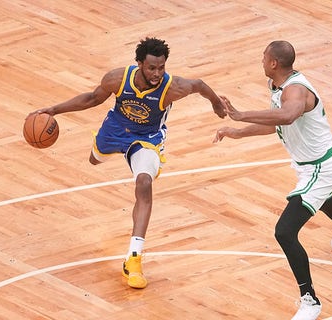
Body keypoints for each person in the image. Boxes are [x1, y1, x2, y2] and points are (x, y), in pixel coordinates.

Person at [31, 37, 226, 289]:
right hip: (114, 129)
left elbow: (199, 85)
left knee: (144, 183)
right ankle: (101, 147)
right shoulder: (117, 79)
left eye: (161, 67)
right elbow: (92, 98)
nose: (157, 73)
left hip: (147, 138)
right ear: (139, 64)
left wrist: (216, 104)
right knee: (94, 159)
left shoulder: (172, 87)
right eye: (151, 68)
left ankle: (134, 258)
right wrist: (54, 110)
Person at [213, 40, 332, 320]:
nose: (261, 61)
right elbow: (276, 122)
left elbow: (287, 116)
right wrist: (238, 132)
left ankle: (310, 301)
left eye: (264, 58)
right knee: (322, 199)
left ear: (274, 63)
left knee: (284, 231)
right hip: (308, 166)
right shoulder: (277, 87)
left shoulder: (296, 90)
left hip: (320, 167)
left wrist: (239, 115)